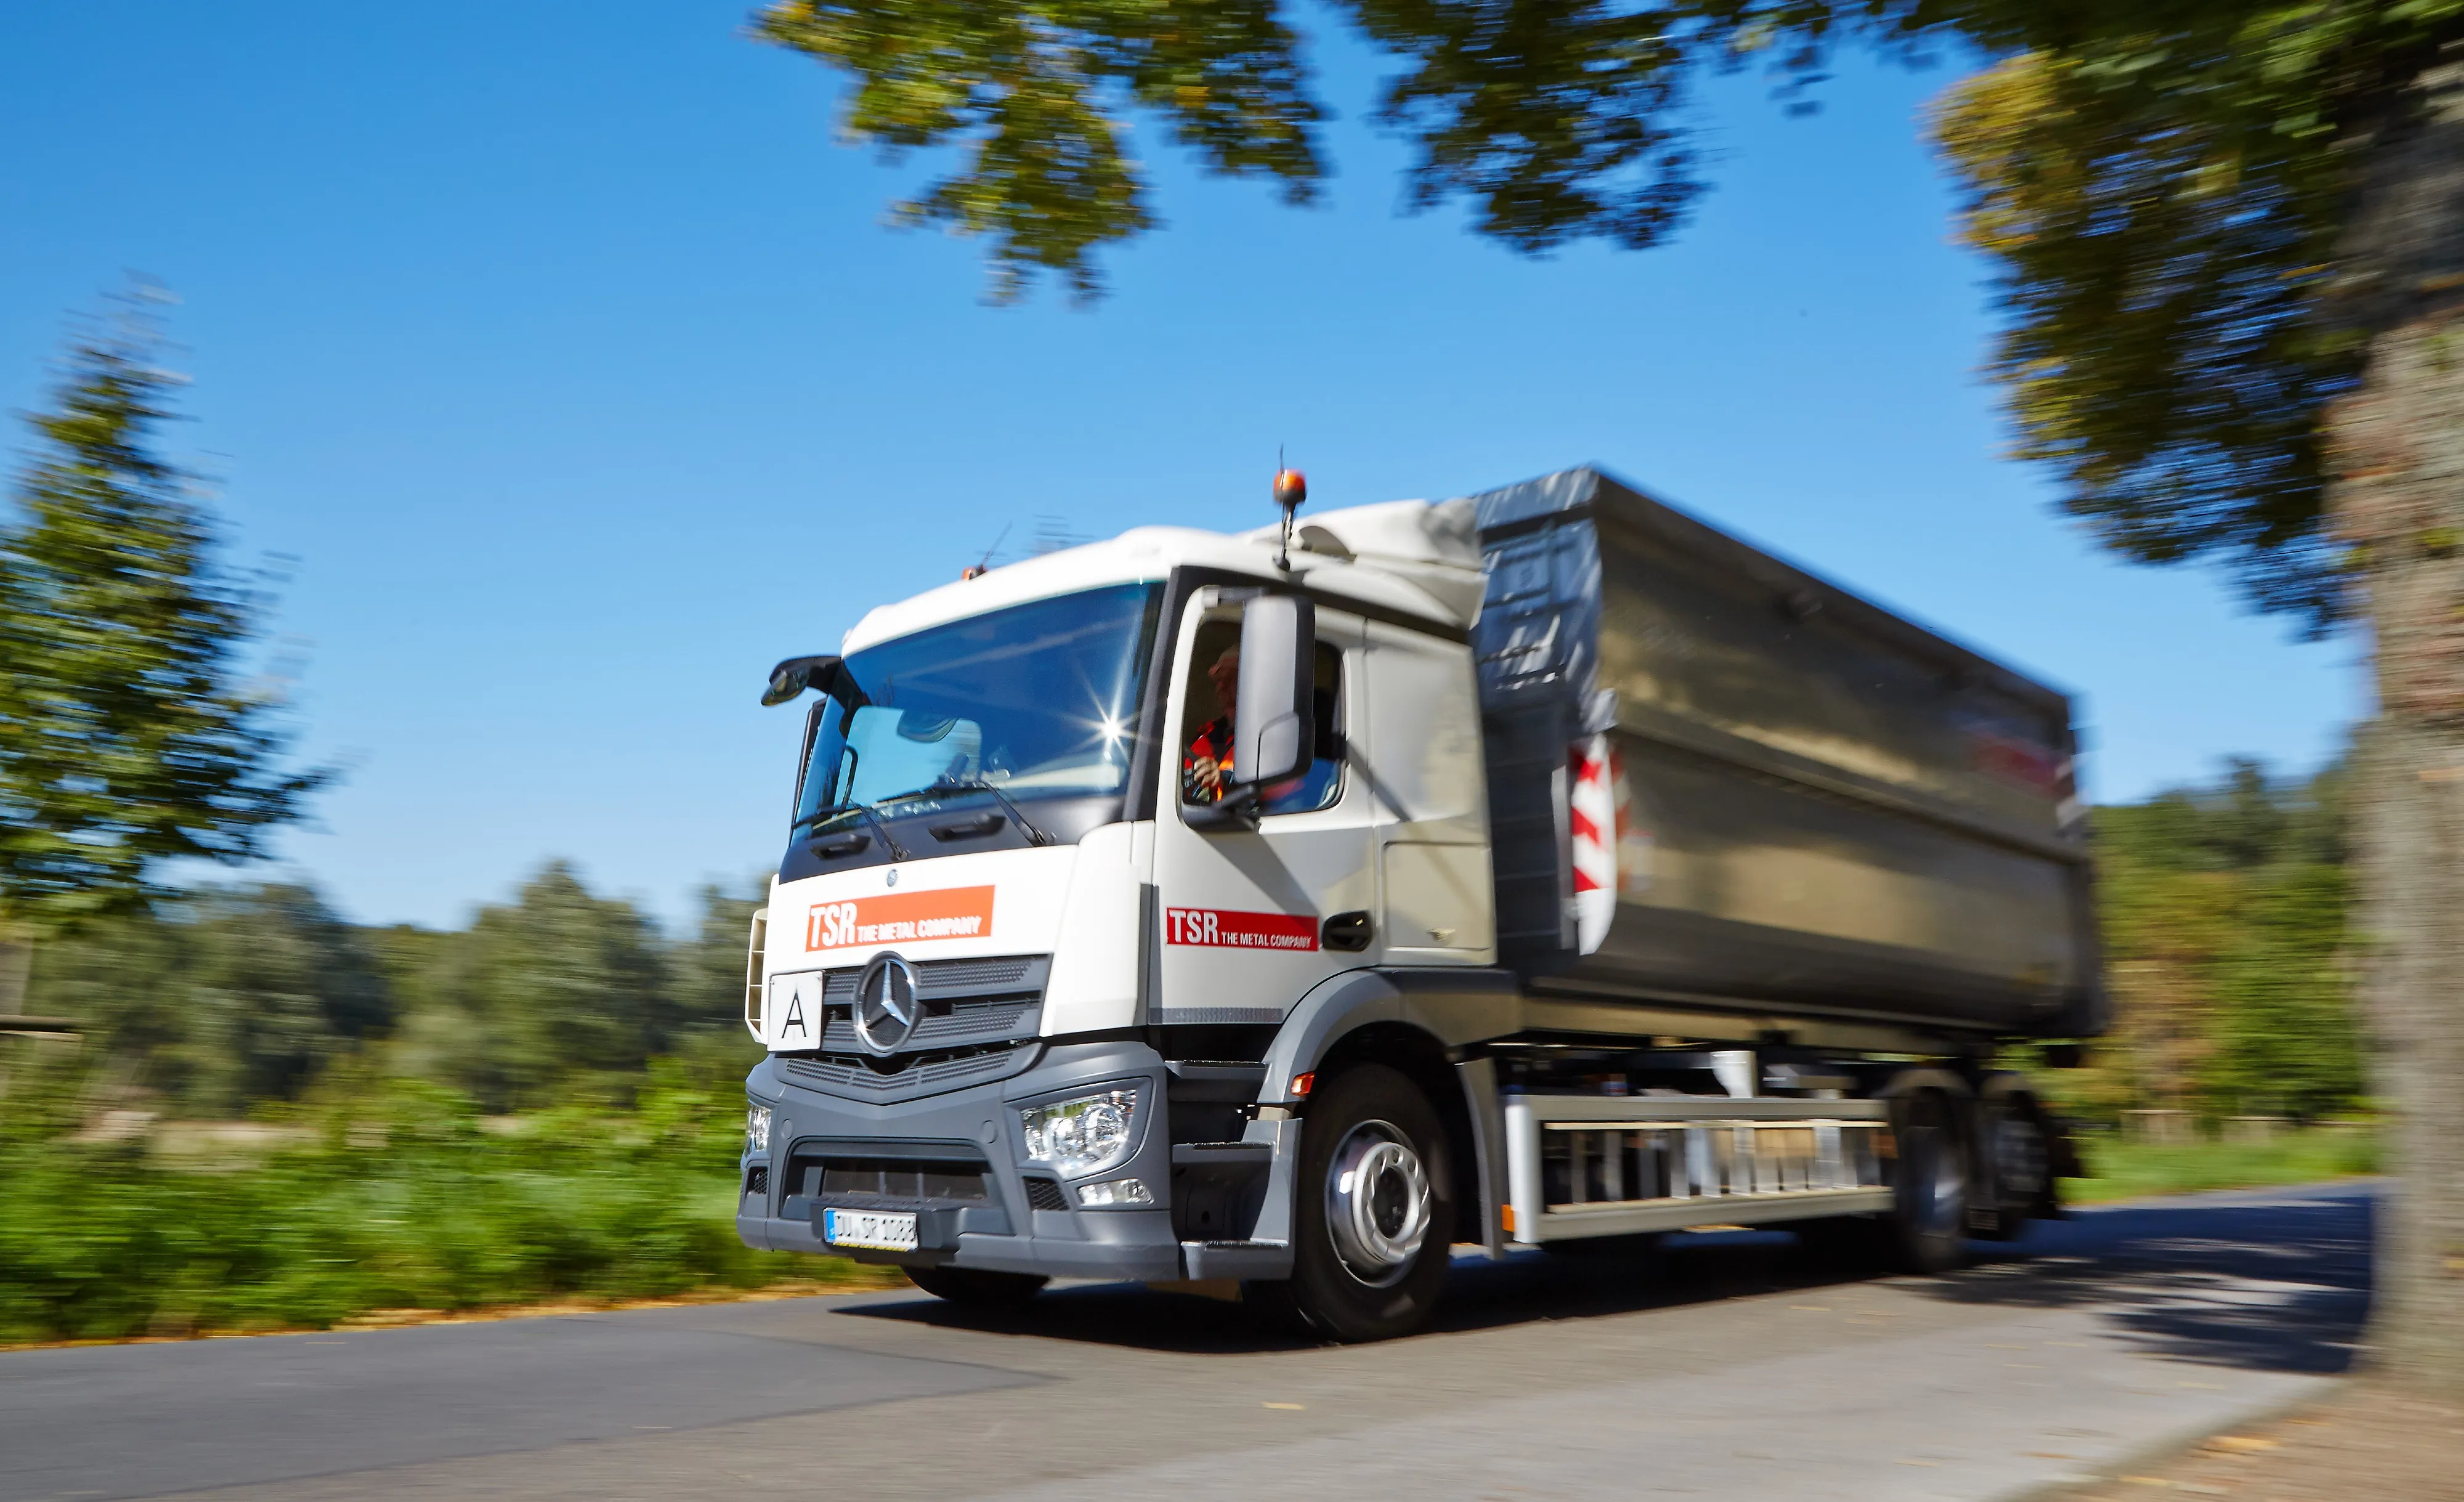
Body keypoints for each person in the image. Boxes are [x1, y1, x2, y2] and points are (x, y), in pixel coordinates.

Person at [1182, 646, 1239, 803]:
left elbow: (1270, 789)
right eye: (1218, 680)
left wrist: (1224, 779)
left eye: (1229, 678)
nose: (1221, 686)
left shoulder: (1265, 736)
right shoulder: (1205, 736)